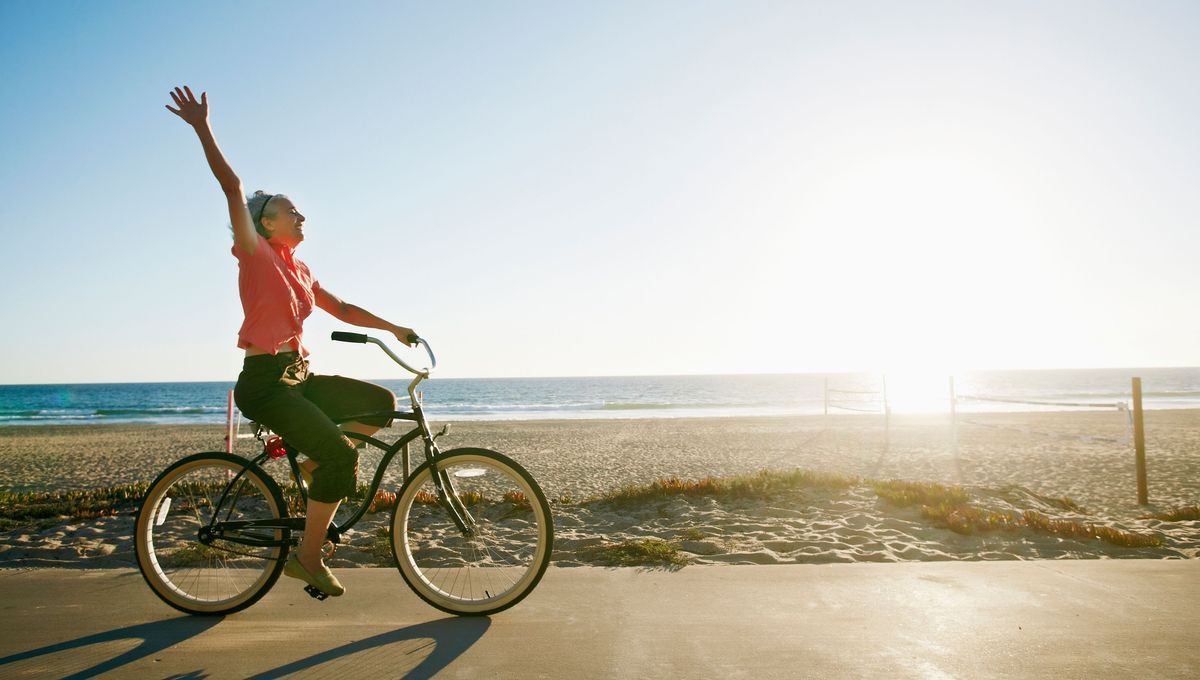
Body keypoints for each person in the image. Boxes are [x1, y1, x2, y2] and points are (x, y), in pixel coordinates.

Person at [165, 85, 414, 597]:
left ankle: (306, 459)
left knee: (380, 403)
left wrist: (394, 328)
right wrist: (202, 127)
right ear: (266, 223)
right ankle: (306, 557)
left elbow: (341, 309)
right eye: (291, 211)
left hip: (299, 380)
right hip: (265, 383)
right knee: (343, 460)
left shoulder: (298, 267)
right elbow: (232, 187)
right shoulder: (254, 252)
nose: (302, 217)